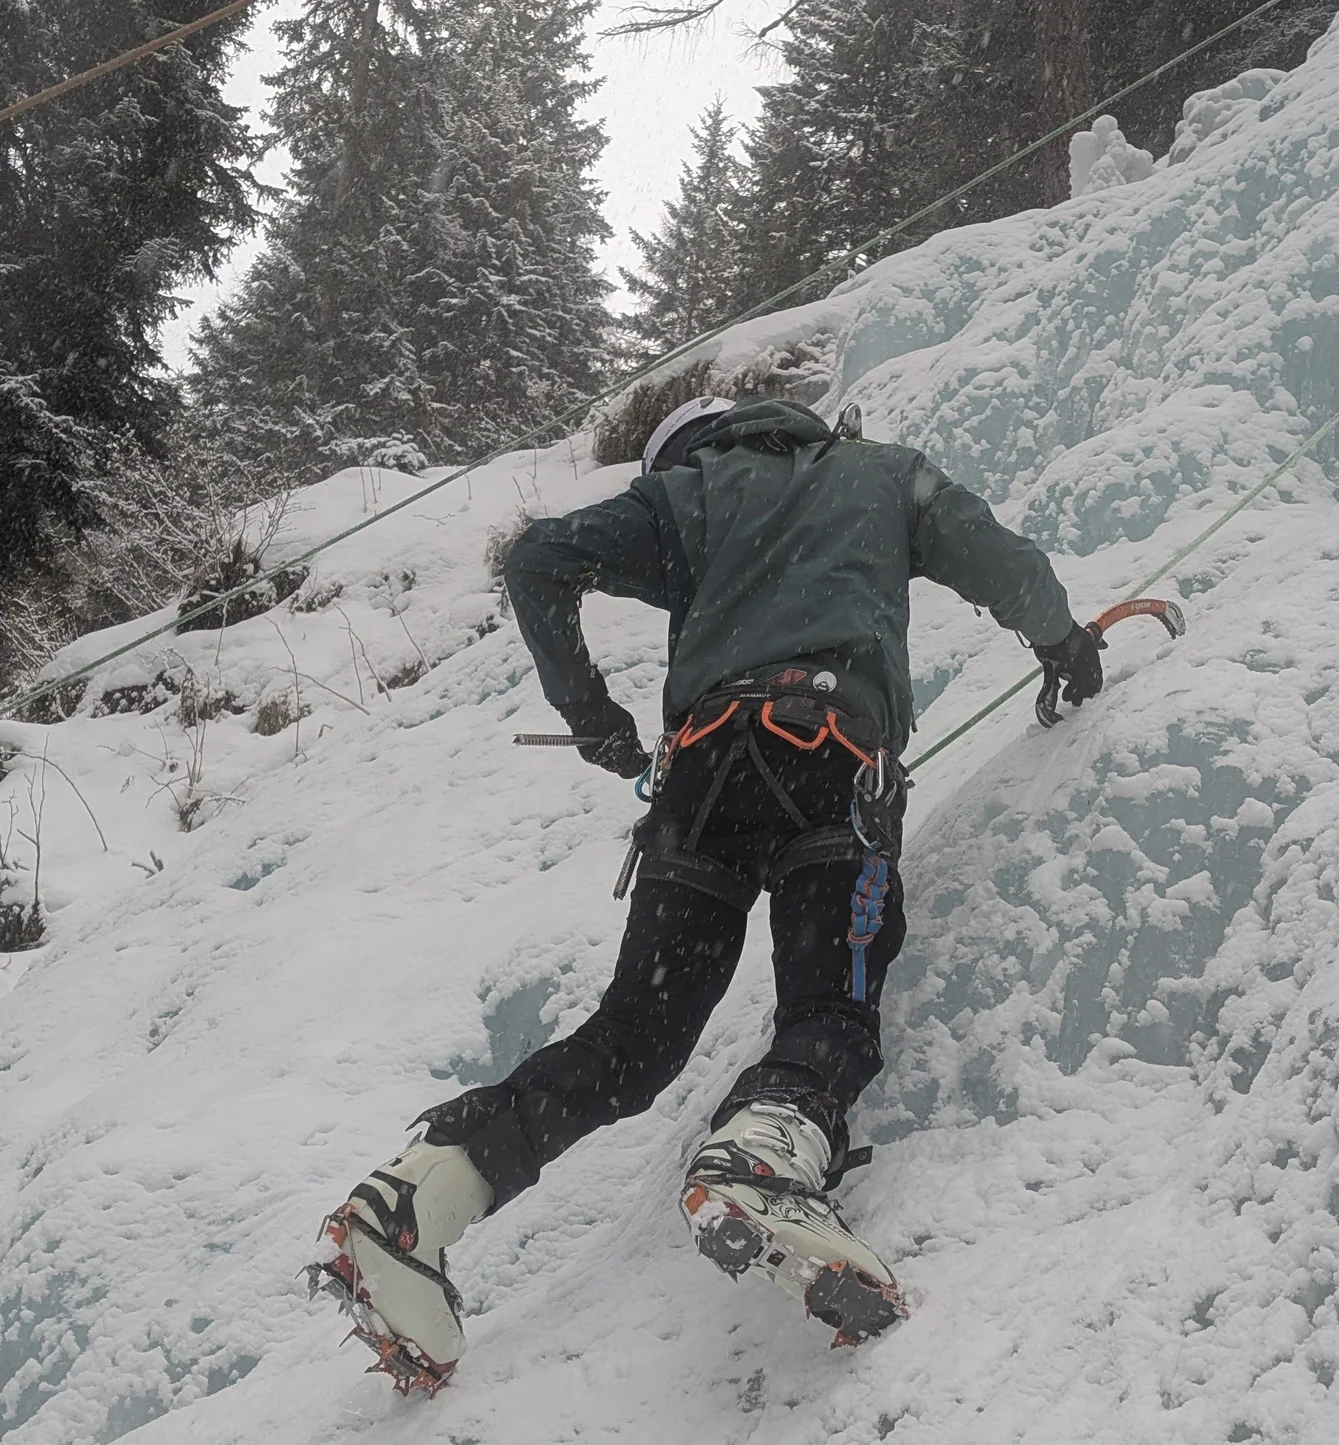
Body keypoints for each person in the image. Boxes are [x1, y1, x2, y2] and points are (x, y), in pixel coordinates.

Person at [307, 394, 1106, 1392]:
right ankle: (762, 1155)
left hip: (703, 778)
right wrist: (1064, 643)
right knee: (829, 1007)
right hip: (831, 762)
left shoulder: (680, 498)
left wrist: (592, 714)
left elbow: (539, 558)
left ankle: (410, 1204)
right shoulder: (881, 475)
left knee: (631, 1038)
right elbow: (1004, 564)